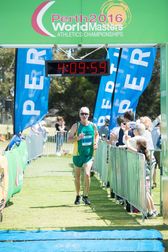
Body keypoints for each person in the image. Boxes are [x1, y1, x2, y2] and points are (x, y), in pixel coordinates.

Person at [68, 107, 99, 205]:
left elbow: (97, 135)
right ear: (79, 115)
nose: (84, 115)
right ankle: (78, 195)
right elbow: (69, 139)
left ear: (89, 115)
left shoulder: (93, 126)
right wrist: (78, 137)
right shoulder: (76, 126)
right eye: (82, 114)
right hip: (77, 155)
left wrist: (96, 143)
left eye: (86, 114)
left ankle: (85, 196)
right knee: (77, 177)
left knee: (87, 174)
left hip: (88, 155)